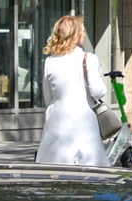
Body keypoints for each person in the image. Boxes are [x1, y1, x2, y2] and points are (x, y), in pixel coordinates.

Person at [33, 13, 113, 167]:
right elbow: (98, 92)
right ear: (75, 35)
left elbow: (48, 98)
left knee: (54, 169)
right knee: (90, 170)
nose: (84, 34)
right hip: (83, 121)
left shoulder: (49, 62)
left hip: (56, 123)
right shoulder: (88, 58)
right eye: (82, 31)